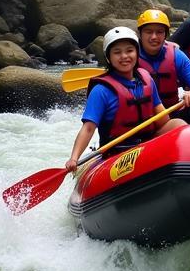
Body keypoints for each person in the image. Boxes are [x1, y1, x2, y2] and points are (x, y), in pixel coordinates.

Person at [64, 26, 182, 171]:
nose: (124, 56)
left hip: (148, 143)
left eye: (129, 50)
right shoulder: (101, 90)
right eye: (117, 52)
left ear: (137, 53)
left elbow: (162, 117)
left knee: (178, 124)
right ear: (109, 57)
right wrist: (74, 158)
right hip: (119, 152)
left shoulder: (146, 79)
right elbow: (88, 128)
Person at [136, 8, 190, 125]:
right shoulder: (131, 57)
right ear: (140, 34)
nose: (154, 37)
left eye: (159, 32)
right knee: (178, 124)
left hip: (173, 110)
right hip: (148, 119)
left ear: (165, 35)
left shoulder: (175, 55)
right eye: (148, 32)